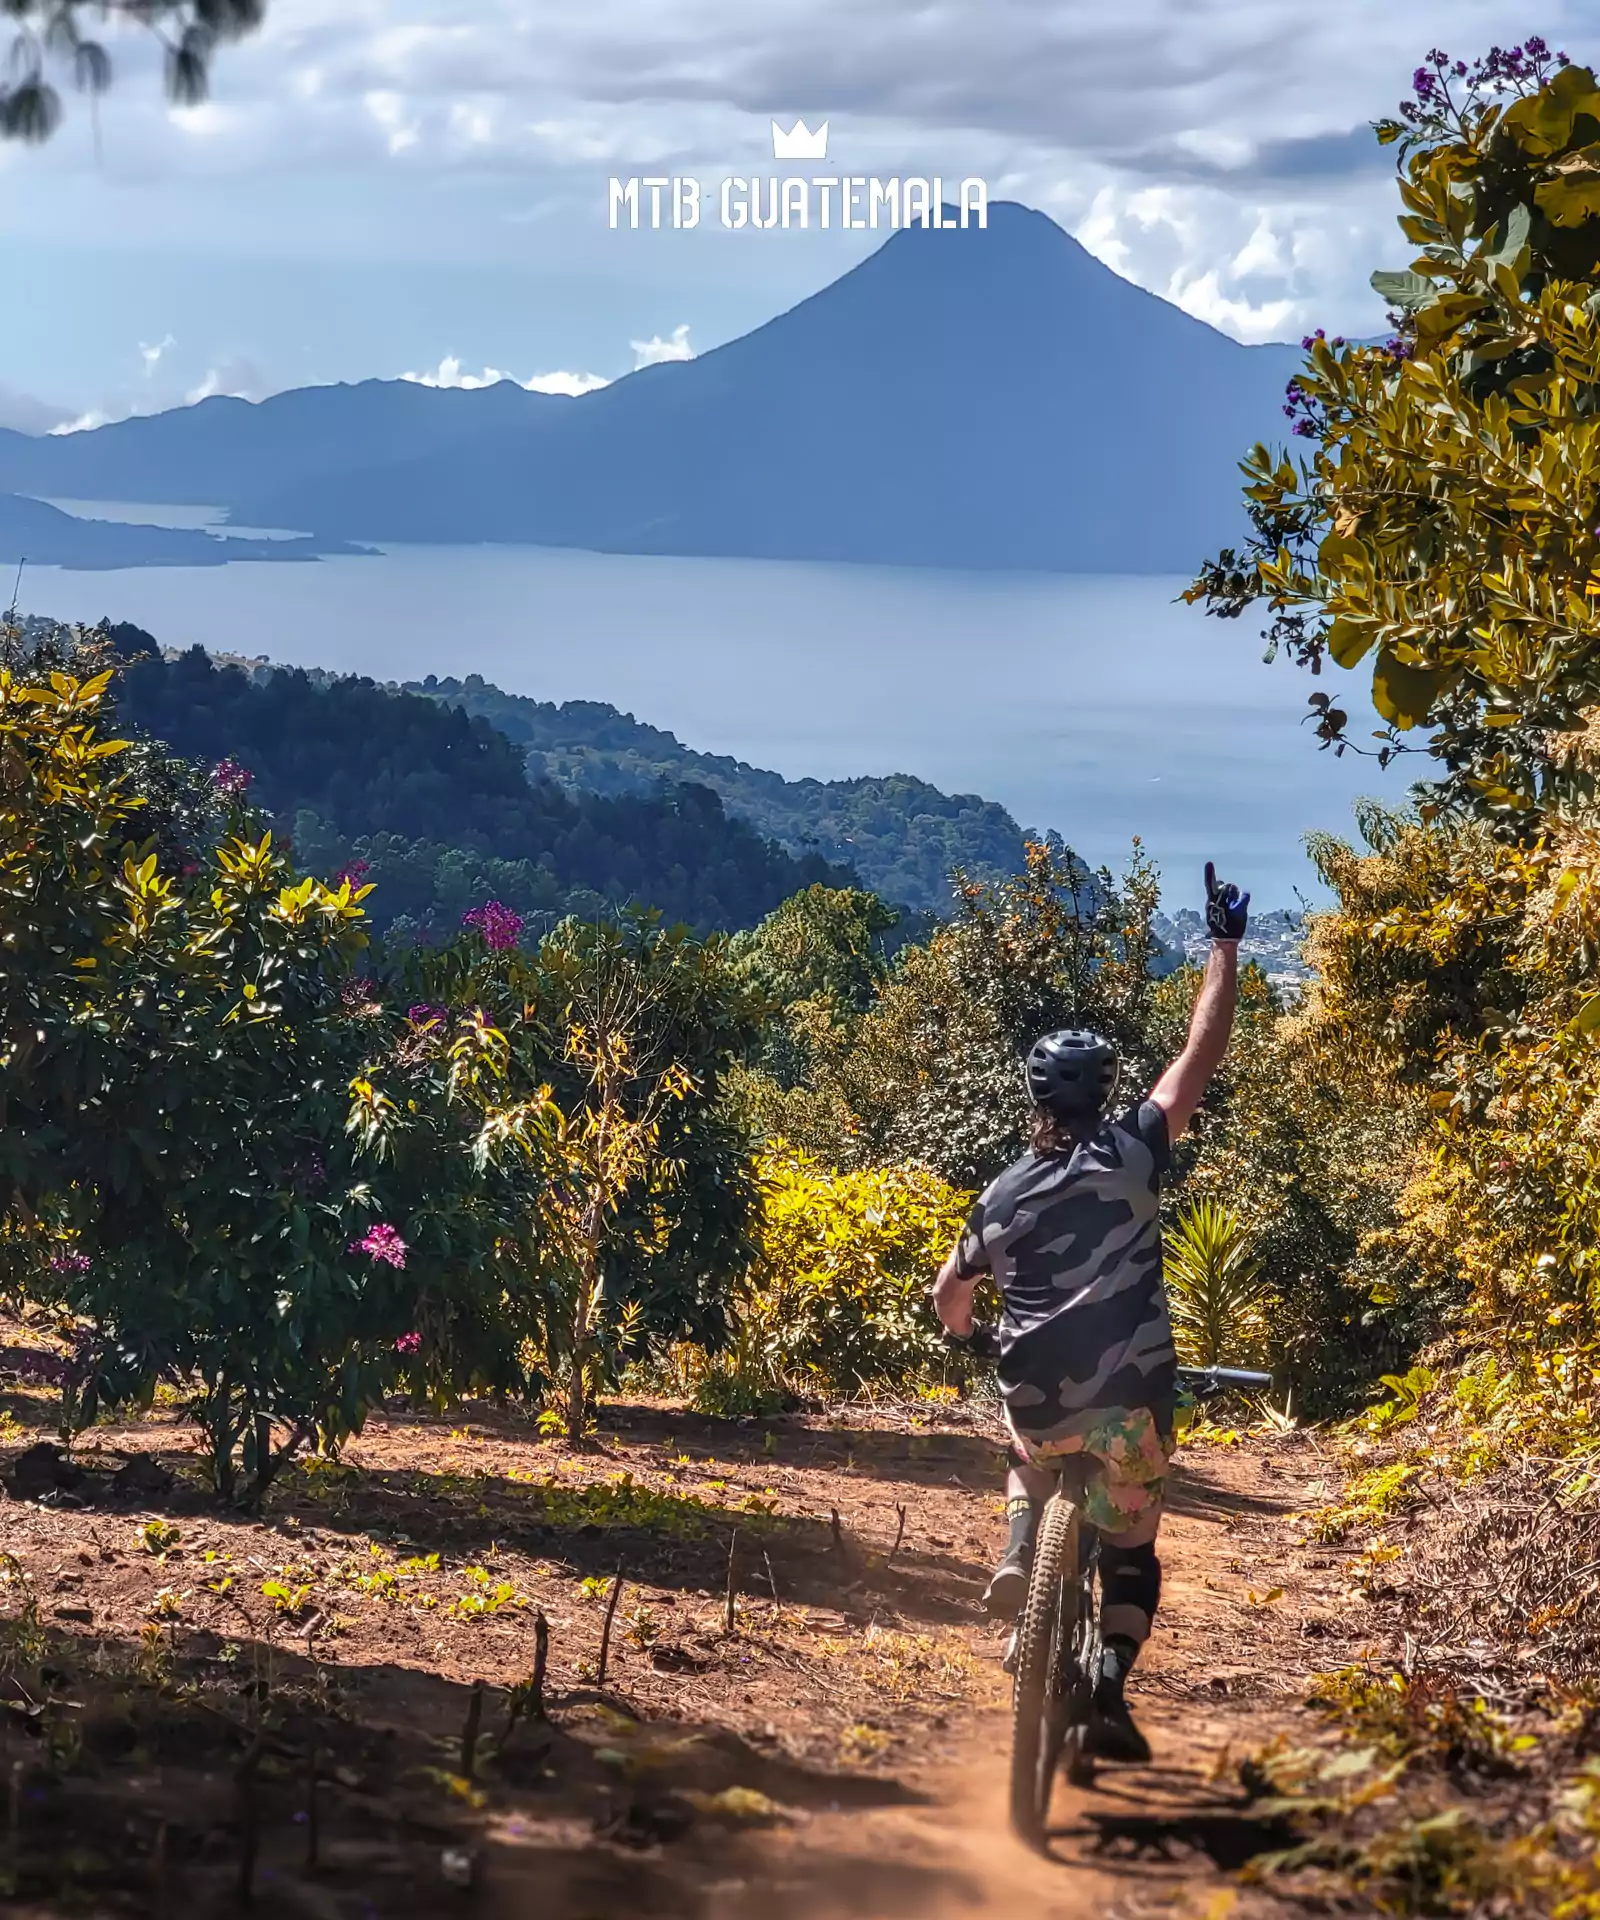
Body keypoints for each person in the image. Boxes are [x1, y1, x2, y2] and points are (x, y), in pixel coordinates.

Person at [931, 862, 1249, 1765]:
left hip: (1037, 1397)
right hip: (1133, 1398)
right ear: (1105, 1092)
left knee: (1027, 1452)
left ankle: (1019, 1550)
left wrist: (971, 1335)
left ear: (1036, 1099)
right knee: (1134, 1537)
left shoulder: (1000, 1193)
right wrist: (1222, 947)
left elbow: (950, 1298)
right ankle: (1110, 1677)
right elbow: (1200, 1057)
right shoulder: (1139, 1149)